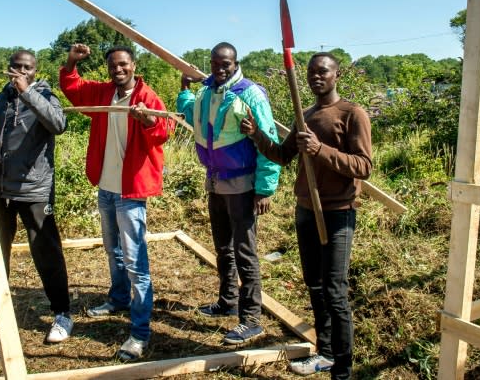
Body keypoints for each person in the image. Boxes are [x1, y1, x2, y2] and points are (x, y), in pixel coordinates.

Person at [240, 52, 372, 379]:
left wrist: (319, 150)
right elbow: (283, 156)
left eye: (323, 71)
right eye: (311, 72)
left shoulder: (352, 114)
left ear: (336, 75)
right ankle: (325, 354)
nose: (316, 76)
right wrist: (257, 134)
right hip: (306, 210)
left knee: (335, 291)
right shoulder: (306, 115)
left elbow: (363, 166)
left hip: (338, 212)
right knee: (314, 285)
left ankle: (342, 370)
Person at [59, 43, 171, 361]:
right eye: (113, 65)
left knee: (136, 263)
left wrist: (148, 120)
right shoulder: (103, 93)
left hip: (131, 191)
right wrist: (71, 62)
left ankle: (139, 333)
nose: (118, 69)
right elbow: (74, 88)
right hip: (106, 187)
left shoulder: (146, 98)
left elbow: (164, 130)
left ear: (134, 66)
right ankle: (119, 298)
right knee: (113, 250)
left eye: (123, 64)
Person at [0, 50, 73, 343]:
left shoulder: (46, 97)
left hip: (33, 188)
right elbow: (1, 139)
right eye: (17, 67)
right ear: (8, 68)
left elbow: (58, 125)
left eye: (28, 68)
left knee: (45, 249)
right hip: (0, 187)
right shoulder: (1, 98)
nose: (21, 72)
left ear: (35, 72)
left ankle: (62, 312)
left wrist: (28, 94)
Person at [176, 42, 280, 345]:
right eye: (215, 63)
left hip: (242, 185)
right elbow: (191, 113)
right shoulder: (206, 92)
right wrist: (184, 90)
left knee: (245, 252)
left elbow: (268, 142)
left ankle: (250, 319)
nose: (220, 69)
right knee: (222, 247)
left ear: (236, 63)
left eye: (226, 64)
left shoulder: (250, 94)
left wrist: (265, 189)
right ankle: (227, 301)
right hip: (216, 181)